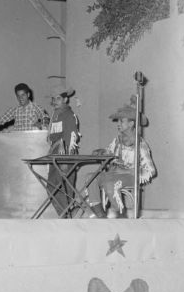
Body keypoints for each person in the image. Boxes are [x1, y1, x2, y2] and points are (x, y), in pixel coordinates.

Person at [87, 101, 156, 218]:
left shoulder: (140, 144)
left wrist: (129, 171)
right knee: (90, 178)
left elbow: (151, 170)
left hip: (130, 177)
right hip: (114, 174)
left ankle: (120, 216)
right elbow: (108, 152)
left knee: (110, 184)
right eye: (118, 121)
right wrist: (101, 152)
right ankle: (100, 215)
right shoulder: (118, 140)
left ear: (131, 123)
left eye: (121, 121)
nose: (118, 123)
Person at [46, 85, 80, 217]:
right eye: (53, 98)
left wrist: (66, 159)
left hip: (65, 157)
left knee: (64, 188)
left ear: (65, 99)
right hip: (54, 156)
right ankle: (66, 215)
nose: (55, 101)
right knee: (51, 188)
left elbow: (71, 137)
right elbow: (53, 136)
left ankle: (68, 215)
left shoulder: (69, 115)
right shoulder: (55, 115)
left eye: (58, 98)